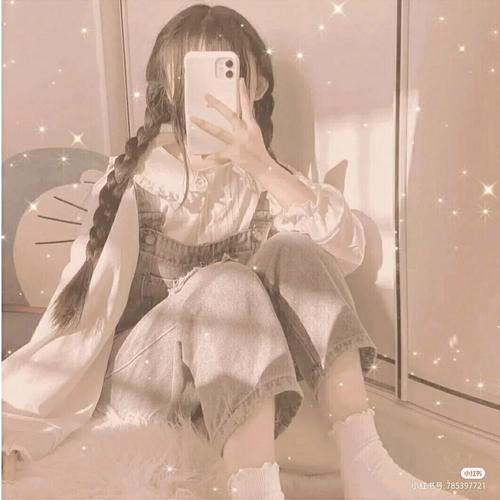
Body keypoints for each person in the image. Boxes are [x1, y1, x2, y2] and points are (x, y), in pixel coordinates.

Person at [2, 4, 468, 500]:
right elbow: (79, 320)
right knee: (227, 280)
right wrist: (22, 418)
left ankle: (366, 465)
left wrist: (263, 166)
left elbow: (346, 250)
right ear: (169, 90)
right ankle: (256, 490)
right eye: (191, 77)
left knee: (295, 248)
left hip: (225, 390)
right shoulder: (138, 183)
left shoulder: (264, 182)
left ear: (258, 85)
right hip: (139, 382)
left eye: (225, 74)